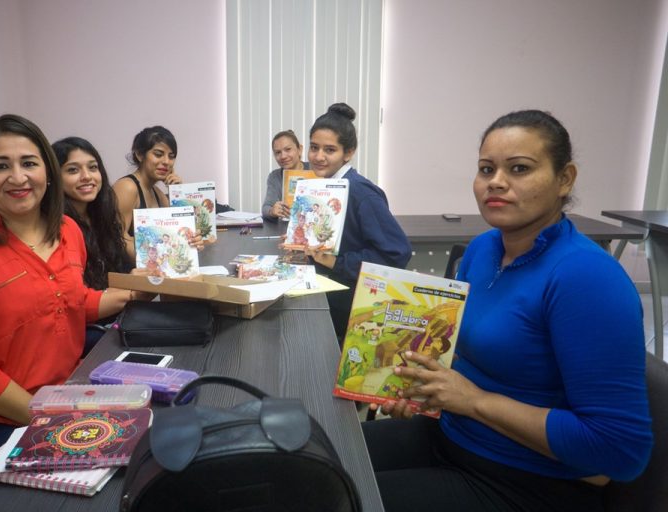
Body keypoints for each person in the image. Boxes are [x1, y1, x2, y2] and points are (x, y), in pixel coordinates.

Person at [363, 110, 653, 512]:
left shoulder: (586, 278)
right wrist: (425, 387)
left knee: (336, 496)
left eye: (519, 168)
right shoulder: (483, 248)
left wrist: (473, 400)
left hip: (525, 484)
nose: (496, 181)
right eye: (487, 169)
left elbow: (619, 451)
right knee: (315, 465)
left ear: (564, 179)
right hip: (451, 434)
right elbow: (469, 357)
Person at [0, 114, 149, 496]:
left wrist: (133, 292)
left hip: (60, 398)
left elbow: (71, 303)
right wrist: (51, 419)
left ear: (47, 171)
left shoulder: (67, 229)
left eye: (29, 163)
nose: (18, 177)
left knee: (146, 459)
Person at [303, 103, 411, 340]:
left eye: (329, 150)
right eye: (314, 147)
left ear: (348, 153)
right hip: (327, 291)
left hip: (351, 307)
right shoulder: (325, 186)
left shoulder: (361, 193)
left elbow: (396, 254)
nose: (319, 157)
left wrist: (336, 262)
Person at [52, 136, 132, 290]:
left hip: (119, 306)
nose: (87, 176)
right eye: (73, 170)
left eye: (93, 167)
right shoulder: (56, 226)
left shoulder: (102, 215)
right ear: (54, 177)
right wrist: (130, 287)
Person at [112, 125, 190, 263]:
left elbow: (174, 236)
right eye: (158, 154)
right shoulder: (127, 187)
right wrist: (154, 257)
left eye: (171, 157)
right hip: (131, 274)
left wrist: (177, 194)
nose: (166, 162)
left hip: (155, 271)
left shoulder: (160, 195)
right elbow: (116, 239)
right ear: (140, 155)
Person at [261, 130, 310, 220]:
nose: (283, 156)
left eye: (288, 149)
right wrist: (272, 211)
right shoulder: (275, 176)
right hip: (286, 228)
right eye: (278, 152)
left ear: (300, 149)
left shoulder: (315, 169)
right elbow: (266, 208)